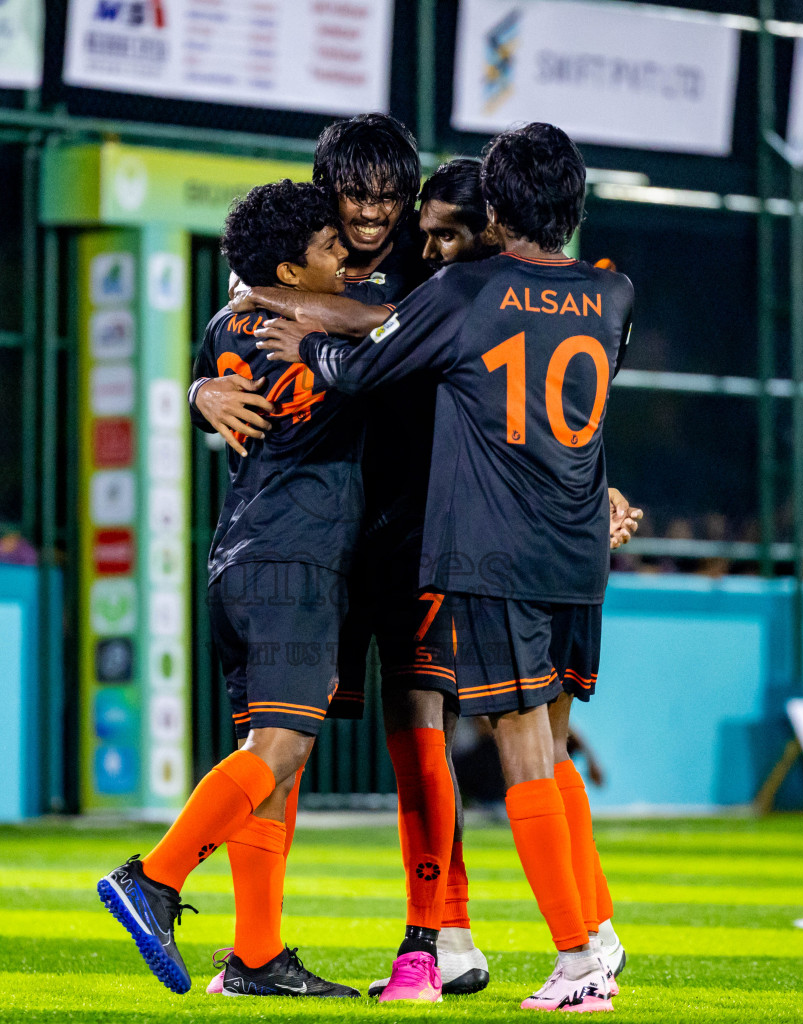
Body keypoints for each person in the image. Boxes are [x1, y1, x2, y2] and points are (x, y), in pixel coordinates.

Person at [257, 122, 634, 1012]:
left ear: (496, 212)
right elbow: (570, 393)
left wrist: (306, 341)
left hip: (495, 549)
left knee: (523, 756)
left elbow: (363, 367)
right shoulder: (615, 291)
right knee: (547, 743)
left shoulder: (469, 290)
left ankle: (578, 962)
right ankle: (598, 933)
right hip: (578, 551)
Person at [100, 180, 362, 1000]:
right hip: (296, 556)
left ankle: (255, 957)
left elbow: (239, 326)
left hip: (238, 557)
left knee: (273, 763)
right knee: (279, 750)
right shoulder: (310, 325)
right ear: (289, 267)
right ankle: (157, 877)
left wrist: (193, 389)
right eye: (328, 248)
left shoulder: (225, 321)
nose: (345, 257)